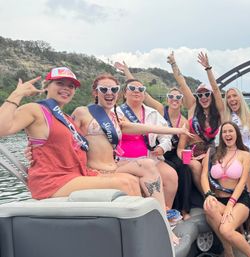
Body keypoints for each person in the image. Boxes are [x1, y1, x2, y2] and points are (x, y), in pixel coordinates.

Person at [0, 67, 141, 200]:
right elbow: (2, 129)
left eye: (71, 86)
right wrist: (17, 94)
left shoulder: (66, 118)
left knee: (132, 180)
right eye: (60, 83)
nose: (66, 88)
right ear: (46, 86)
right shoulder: (35, 109)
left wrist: (32, 150)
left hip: (75, 176)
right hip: (52, 181)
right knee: (125, 184)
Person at [70, 73, 191, 216]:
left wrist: (177, 130)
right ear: (95, 92)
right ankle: (156, 215)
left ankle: (162, 214)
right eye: (104, 89)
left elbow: (144, 128)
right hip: (100, 168)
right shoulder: (84, 112)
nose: (109, 93)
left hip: (118, 165)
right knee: (133, 181)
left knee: (150, 166)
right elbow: (67, 141)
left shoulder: (115, 117)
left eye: (113, 89)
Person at [115, 61, 194, 220]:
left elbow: (166, 137)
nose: (137, 91)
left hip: (151, 157)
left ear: (144, 94)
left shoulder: (152, 113)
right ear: (125, 93)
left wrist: (162, 148)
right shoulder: (116, 112)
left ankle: (165, 214)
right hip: (124, 160)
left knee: (171, 176)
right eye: (132, 88)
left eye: (141, 89)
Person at [168, 52, 225, 193]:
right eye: (200, 95)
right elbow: (182, 83)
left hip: (210, 151)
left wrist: (208, 69)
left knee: (215, 166)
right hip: (191, 152)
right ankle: (208, 197)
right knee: (194, 166)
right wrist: (173, 64)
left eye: (207, 94)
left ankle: (218, 196)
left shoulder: (218, 113)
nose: (204, 97)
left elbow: (217, 90)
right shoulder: (193, 106)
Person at [201, 121, 250, 257]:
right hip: (218, 199)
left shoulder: (245, 155)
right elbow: (204, 175)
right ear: (221, 136)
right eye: (224, 132)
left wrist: (230, 205)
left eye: (230, 131)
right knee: (209, 206)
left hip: (238, 201)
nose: (227, 134)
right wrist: (208, 194)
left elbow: (242, 182)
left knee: (226, 230)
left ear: (236, 134)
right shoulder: (213, 152)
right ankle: (229, 252)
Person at [223, 87, 250, 247]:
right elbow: (216, 91)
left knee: (246, 196)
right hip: (230, 163)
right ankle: (239, 231)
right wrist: (209, 69)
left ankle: (249, 232)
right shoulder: (225, 116)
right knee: (232, 195)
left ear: (240, 97)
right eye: (228, 96)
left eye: (234, 95)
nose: (231, 99)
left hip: (246, 162)